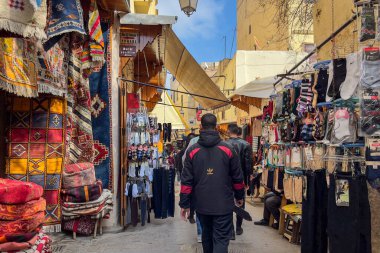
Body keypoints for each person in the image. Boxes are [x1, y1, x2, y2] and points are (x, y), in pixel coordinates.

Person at [180, 114, 245, 253]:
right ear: (216, 127)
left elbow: (186, 181)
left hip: (202, 204)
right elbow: (238, 177)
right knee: (221, 239)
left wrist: (185, 204)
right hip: (223, 204)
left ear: (201, 127)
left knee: (207, 235)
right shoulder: (228, 149)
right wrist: (240, 197)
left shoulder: (193, 150)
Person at [225, 124, 253, 236]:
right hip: (240, 178)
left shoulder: (224, 144)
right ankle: (239, 227)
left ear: (229, 131)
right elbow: (248, 165)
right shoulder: (246, 144)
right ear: (239, 132)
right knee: (240, 201)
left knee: (227, 202)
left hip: (226, 179)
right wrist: (247, 181)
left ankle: (230, 229)